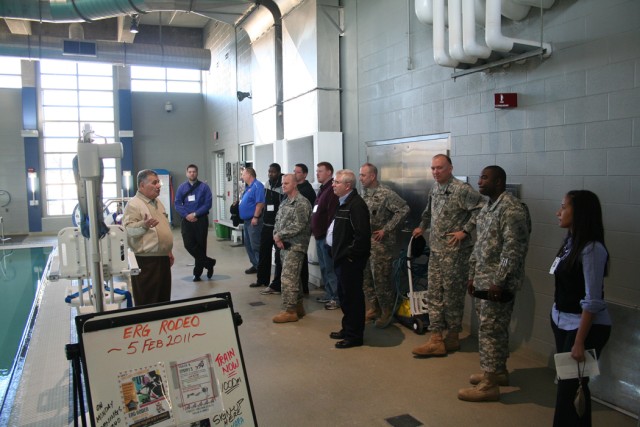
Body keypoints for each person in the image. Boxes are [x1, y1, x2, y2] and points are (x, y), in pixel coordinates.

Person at [458, 165, 531, 402]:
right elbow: (480, 245)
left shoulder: (511, 209)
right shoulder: (488, 207)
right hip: (482, 280)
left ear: (499, 182)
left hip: (496, 284)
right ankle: (498, 372)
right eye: (480, 176)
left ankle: (489, 385)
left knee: (491, 330)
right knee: (491, 328)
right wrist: (472, 274)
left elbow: (513, 249)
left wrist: (498, 281)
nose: (480, 181)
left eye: (485, 178)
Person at [411, 154, 483, 357]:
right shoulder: (435, 188)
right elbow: (428, 211)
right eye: (433, 168)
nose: (435, 172)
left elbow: (482, 209)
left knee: (453, 295)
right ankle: (435, 338)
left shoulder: (462, 190)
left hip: (456, 253)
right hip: (436, 250)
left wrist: (466, 231)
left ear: (450, 168)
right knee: (434, 293)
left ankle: (452, 336)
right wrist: (422, 226)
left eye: (439, 168)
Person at [550, 190, 611, 426]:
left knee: (571, 388)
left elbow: (593, 300)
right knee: (569, 387)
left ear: (580, 213)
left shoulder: (592, 249)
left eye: (564, 207)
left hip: (583, 328)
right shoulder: (570, 242)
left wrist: (579, 341)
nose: (558, 212)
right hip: (563, 322)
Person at [359, 162, 409, 327]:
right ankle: (374, 308)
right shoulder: (364, 193)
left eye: (363, 175)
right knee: (366, 278)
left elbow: (403, 209)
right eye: (360, 175)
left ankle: (387, 312)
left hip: (381, 245)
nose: (360, 178)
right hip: (365, 242)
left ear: (372, 176)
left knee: (381, 279)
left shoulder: (386, 193)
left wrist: (386, 229)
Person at [328, 169, 371, 349]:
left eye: (337, 182)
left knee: (353, 298)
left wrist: (350, 256)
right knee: (345, 297)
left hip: (349, 262)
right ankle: (347, 328)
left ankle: (354, 336)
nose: (333, 185)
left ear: (347, 186)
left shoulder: (356, 205)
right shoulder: (343, 203)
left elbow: (362, 236)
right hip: (341, 259)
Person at [123, 169, 174, 306]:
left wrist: (167, 251)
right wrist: (143, 225)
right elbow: (128, 230)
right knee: (148, 302)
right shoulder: (134, 204)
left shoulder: (157, 203)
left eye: (159, 182)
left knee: (163, 301)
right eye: (154, 183)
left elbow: (163, 228)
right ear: (141, 186)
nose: (159, 186)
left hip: (162, 260)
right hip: (146, 263)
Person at [272, 174, 312, 323]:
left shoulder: (302, 203)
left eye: (286, 183)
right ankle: (298, 306)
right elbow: (277, 220)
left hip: (296, 246)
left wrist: (280, 235)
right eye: (282, 183)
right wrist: (277, 236)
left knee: (287, 279)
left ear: (295, 184)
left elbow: (299, 225)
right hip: (284, 245)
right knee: (294, 277)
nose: (283, 185)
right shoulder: (285, 202)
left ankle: (289, 311)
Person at [174, 164, 215, 282]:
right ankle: (209, 263)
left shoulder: (204, 187)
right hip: (186, 220)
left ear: (197, 173)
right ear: (187, 173)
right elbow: (177, 203)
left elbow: (208, 204)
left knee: (201, 246)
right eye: (190, 172)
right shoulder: (182, 188)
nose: (192, 174)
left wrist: (195, 214)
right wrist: (187, 215)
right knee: (188, 244)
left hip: (200, 219)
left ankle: (197, 273)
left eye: (194, 172)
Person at [311, 162, 340, 310]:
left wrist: (329, 237)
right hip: (319, 236)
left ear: (329, 172)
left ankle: (336, 297)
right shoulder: (323, 189)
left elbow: (331, 216)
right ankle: (329, 294)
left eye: (320, 171)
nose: (317, 173)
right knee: (324, 268)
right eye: (317, 171)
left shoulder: (332, 190)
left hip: (326, 237)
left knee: (330, 269)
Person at [256, 163, 285, 293]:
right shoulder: (267, 184)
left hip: (278, 227)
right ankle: (262, 280)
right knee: (263, 253)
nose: (270, 174)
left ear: (278, 172)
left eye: (273, 172)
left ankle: (277, 284)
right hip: (267, 225)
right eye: (269, 171)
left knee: (279, 257)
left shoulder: (283, 186)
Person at [293, 163, 316, 295]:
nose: (295, 174)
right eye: (294, 171)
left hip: (301, 230)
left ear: (305, 174)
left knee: (301, 259)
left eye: (298, 172)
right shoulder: (297, 187)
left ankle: (303, 288)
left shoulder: (307, 190)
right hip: (294, 231)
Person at [238, 167, 265, 275]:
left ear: (249, 174)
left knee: (255, 245)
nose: (242, 176)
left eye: (243, 174)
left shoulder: (257, 186)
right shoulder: (248, 187)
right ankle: (255, 265)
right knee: (248, 245)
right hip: (246, 221)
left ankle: (261, 268)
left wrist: (255, 217)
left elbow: (260, 203)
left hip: (254, 220)